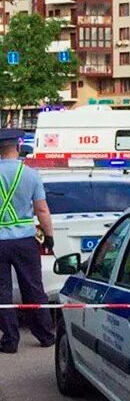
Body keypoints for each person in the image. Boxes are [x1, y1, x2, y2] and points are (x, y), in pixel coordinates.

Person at [0, 129, 56, 353]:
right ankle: (44, 334)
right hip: (25, 240)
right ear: (17, 148)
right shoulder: (31, 174)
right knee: (33, 287)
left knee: (1, 291)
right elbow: (41, 209)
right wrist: (49, 236)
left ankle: (10, 339)